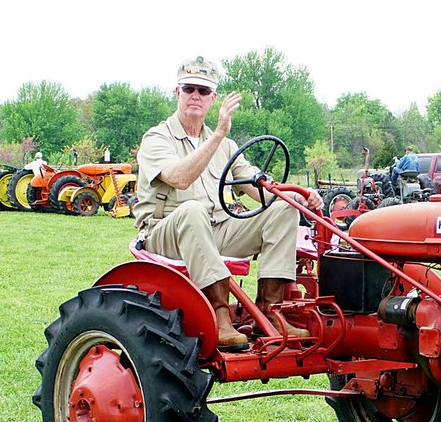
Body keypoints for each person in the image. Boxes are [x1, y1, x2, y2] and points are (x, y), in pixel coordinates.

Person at [133, 56, 323, 350]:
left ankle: (269, 313)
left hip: (217, 229)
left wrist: (299, 196)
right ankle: (220, 317)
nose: (196, 96)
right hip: (165, 233)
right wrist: (219, 132)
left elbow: (260, 189)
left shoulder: (227, 147)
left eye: (204, 91)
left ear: (213, 98)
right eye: (189, 89)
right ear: (177, 92)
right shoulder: (157, 138)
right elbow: (179, 178)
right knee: (192, 210)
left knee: (283, 209)